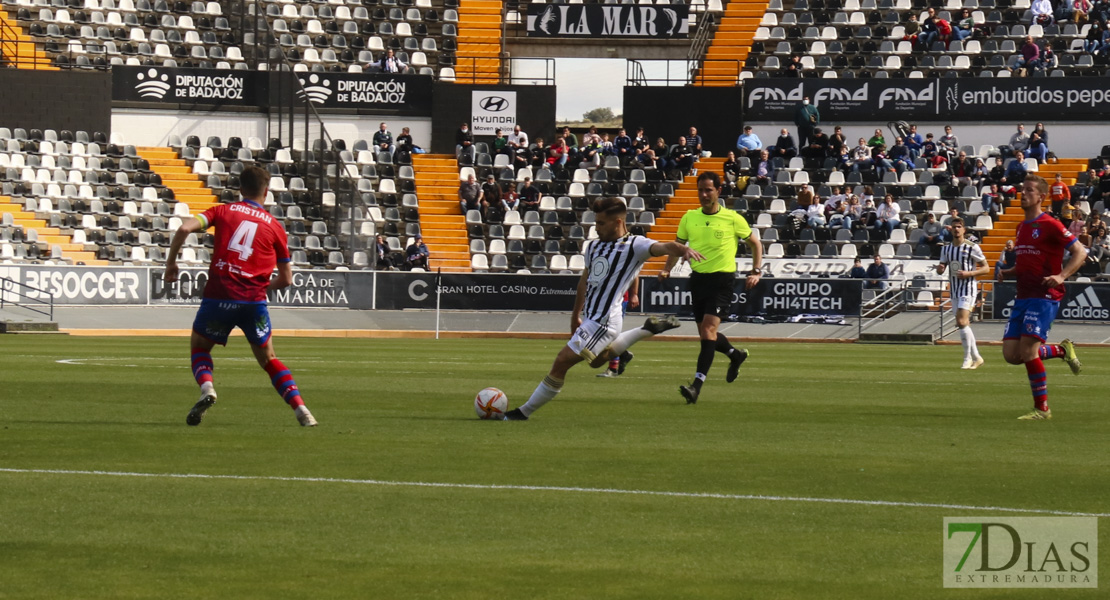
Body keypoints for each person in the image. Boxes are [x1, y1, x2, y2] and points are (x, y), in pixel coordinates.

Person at [502, 197, 704, 421]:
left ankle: (523, 413)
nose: (596, 228)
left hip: (604, 320)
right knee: (596, 361)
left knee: (561, 361)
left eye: (600, 223)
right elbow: (583, 282)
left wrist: (682, 248)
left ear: (618, 222)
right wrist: (575, 316)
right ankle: (646, 329)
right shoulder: (594, 246)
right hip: (592, 317)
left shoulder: (635, 245)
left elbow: (664, 246)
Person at [163, 165, 318, 427]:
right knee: (269, 359)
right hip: (253, 303)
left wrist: (171, 264)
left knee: (200, 347)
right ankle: (301, 409)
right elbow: (287, 279)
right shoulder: (275, 227)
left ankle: (207, 388)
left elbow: (183, 230)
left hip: (219, 297)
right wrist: (262, 288)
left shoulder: (222, 211)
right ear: (266, 192)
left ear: (240, 189)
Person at [659, 172, 762, 405]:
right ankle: (736, 355)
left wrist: (756, 271)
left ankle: (696, 386)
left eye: (709, 190)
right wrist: (667, 268)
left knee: (707, 332)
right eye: (700, 190)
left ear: (719, 191)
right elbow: (678, 246)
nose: (704, 195)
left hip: (722, 281)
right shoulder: (689, 217)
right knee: (707, 335)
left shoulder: (732, 218)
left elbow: (755, 242)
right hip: (698, 280)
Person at [997, 175, 1086, 421]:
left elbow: (1080, 251)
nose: (1022, 194)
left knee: (1027, 350)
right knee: (1011, 355)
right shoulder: (1021, 227)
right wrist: (1008, 271)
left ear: (1041, 197)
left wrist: (1062, 275)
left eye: (1028, 190)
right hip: (1023, 296)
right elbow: (1028, 261)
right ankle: (1061, 350)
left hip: (1044, 296)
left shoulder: (1050, 224)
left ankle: (1042, 409)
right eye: (1022, 190)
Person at [936, 218, 990, 369]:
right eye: (954, 227)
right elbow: (942, 266)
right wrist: (940, 269)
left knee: (961, 321)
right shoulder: (946, 249)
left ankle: (967, 359)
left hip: (968, 288)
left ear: (964, 230)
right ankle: (977, 357)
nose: (956, 229)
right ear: (950, 229)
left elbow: (986, 268)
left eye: (959, 227)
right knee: (963, 324)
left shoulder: (972, 247)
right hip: (954, 289)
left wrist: (970, 273)